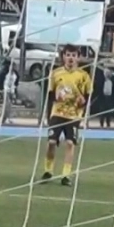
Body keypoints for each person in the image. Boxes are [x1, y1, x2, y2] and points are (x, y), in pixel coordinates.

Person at [41, 45, 92, 186]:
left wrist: (82, 102)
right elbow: (50, 96)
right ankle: (48, 171)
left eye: (74, 55)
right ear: (63, 56)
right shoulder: (56, 73)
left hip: (73, 116)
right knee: (51, 143)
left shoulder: (84, 76)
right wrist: (50, 111)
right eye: (68, 55)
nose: (71, 58)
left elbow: (88, 97)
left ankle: (66, 175)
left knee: (70, 143)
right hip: (57, 113)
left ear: (78, 58)